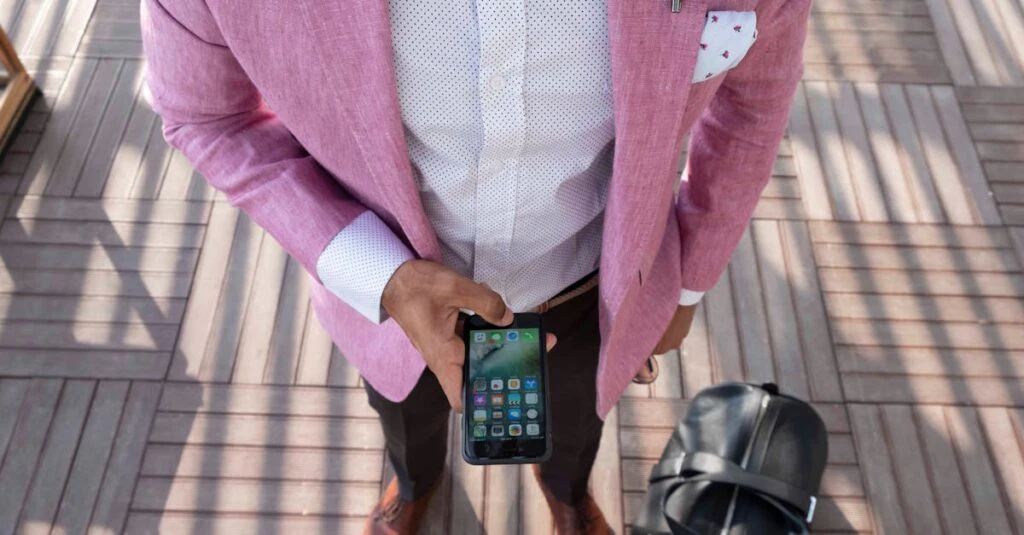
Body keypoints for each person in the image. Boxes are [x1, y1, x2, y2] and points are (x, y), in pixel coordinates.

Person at [141, 0, 811, 533]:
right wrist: (378, 274)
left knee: (576, 429)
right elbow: (205, 114)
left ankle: (569, 501)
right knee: (406, 417)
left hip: (594, 293)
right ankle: (413, 483)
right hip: (389, 302)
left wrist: (688, 283)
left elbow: (753, 101)